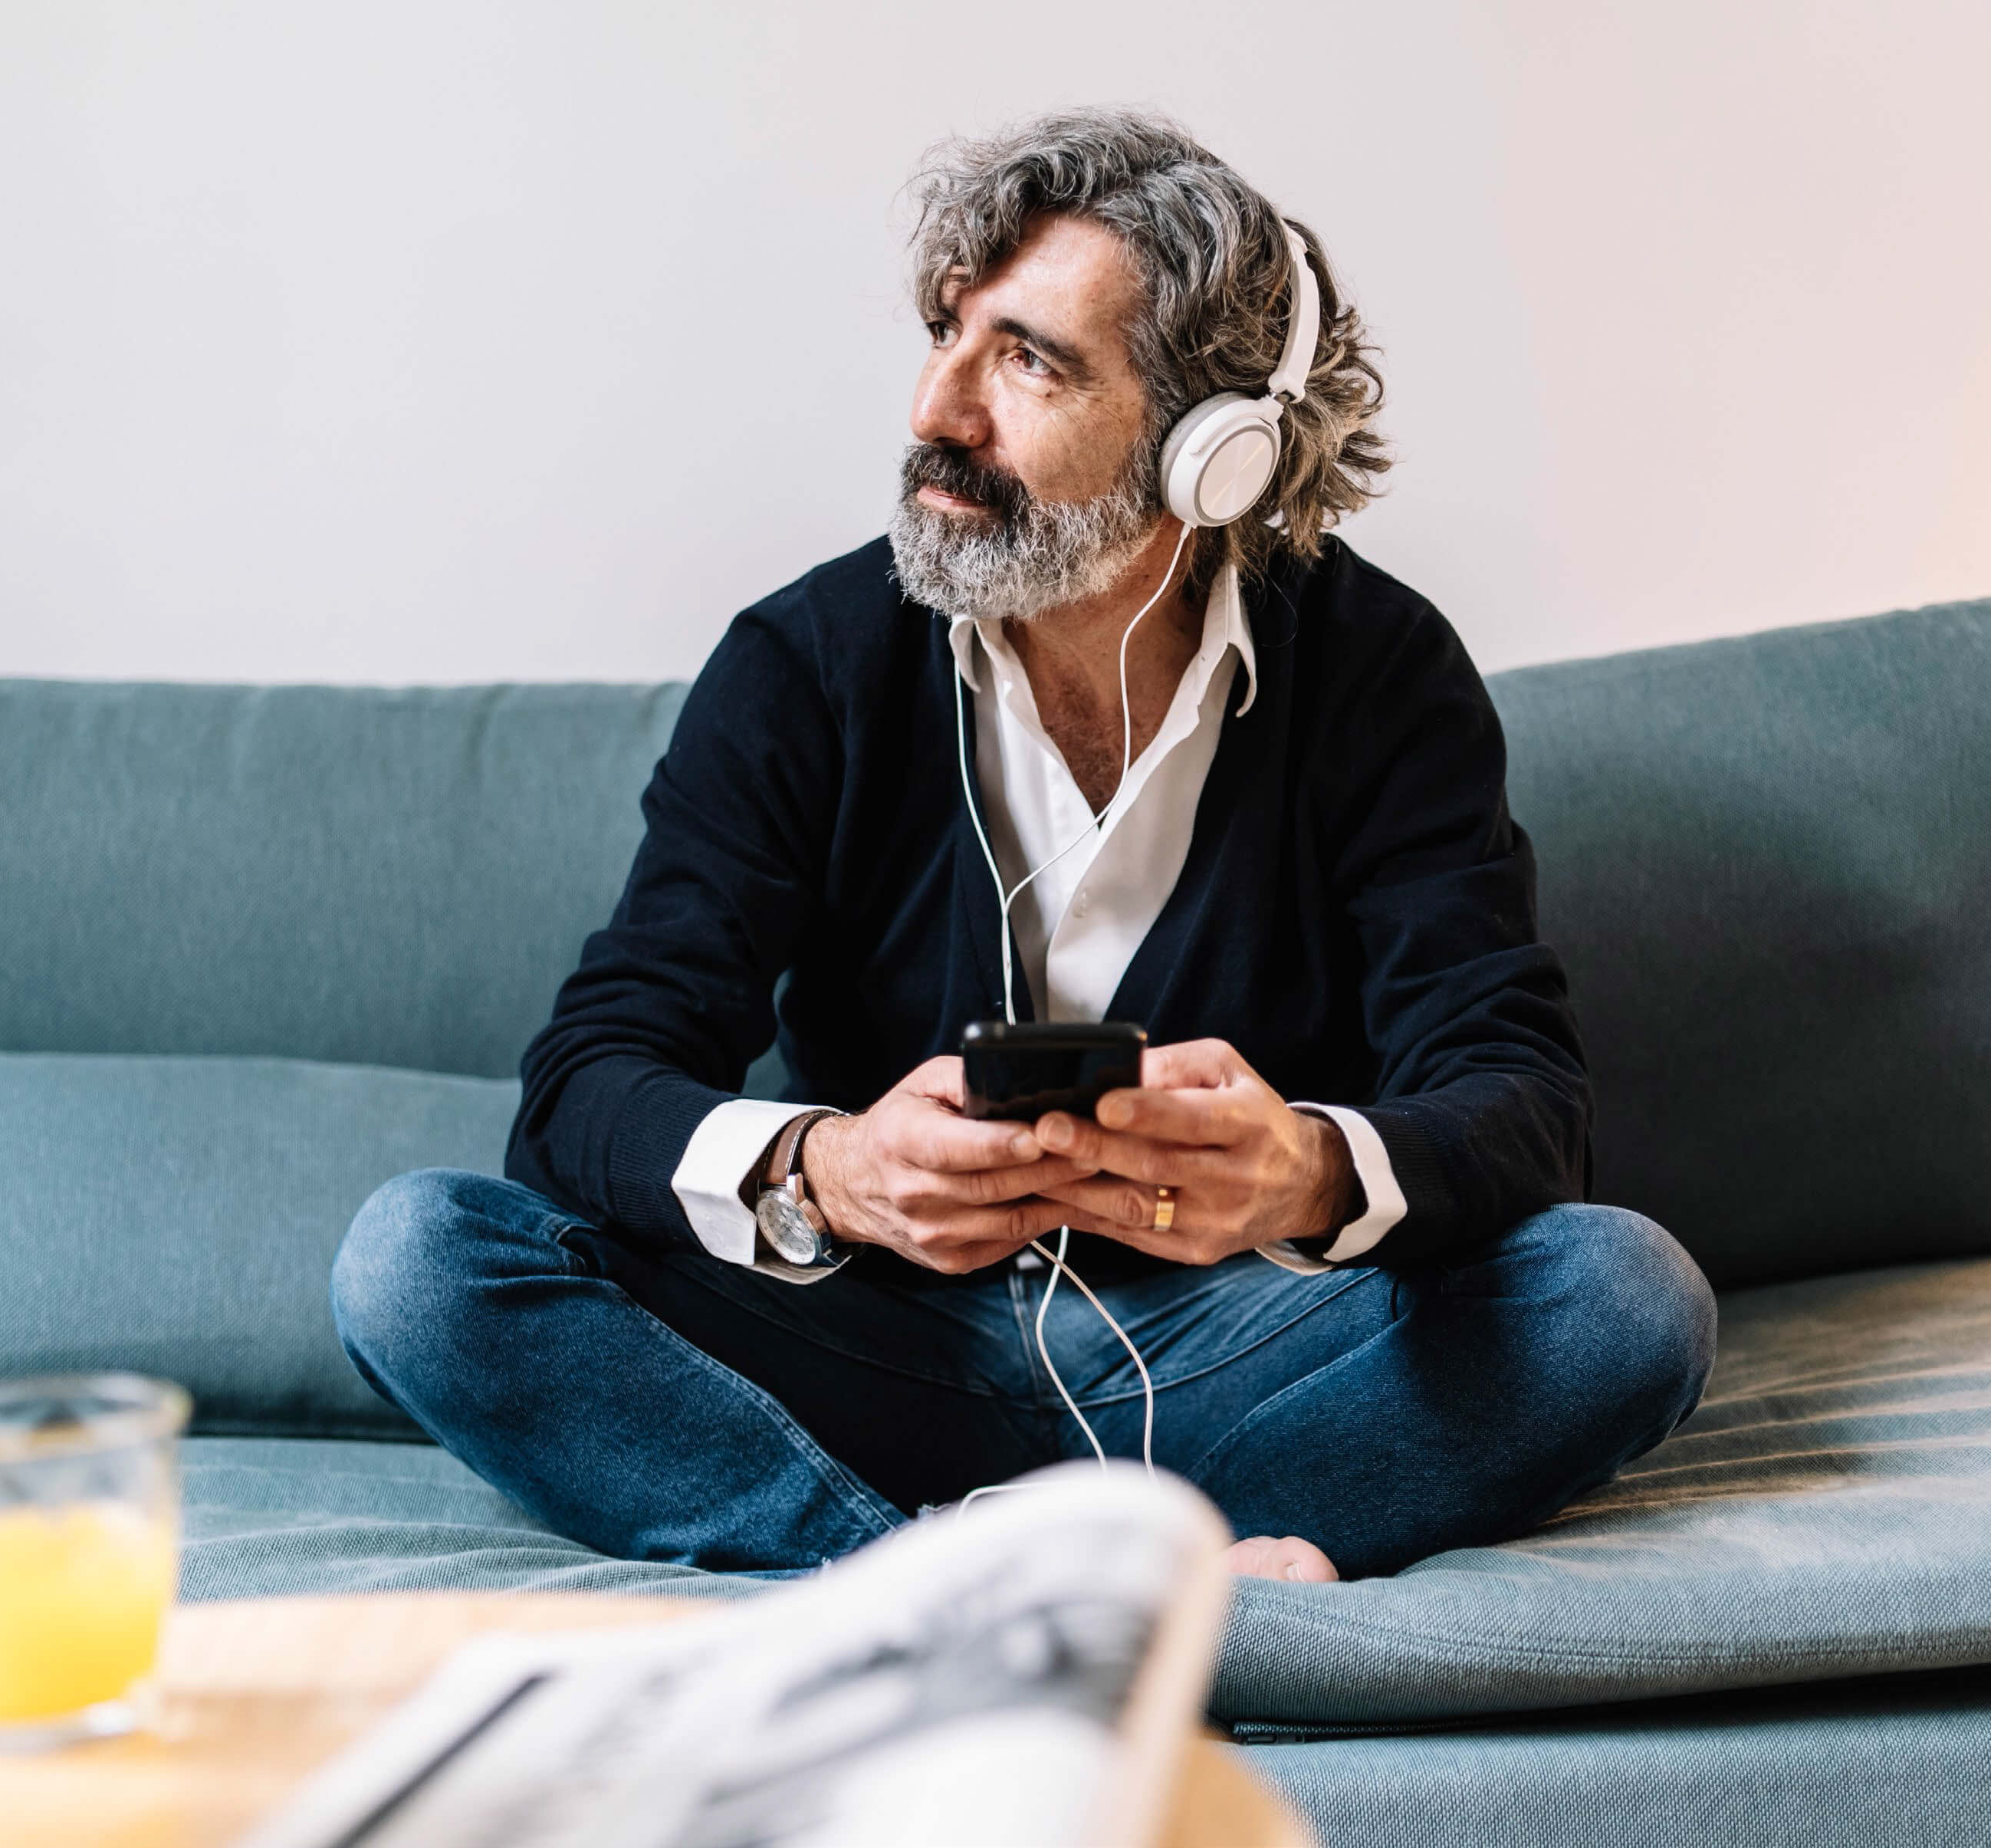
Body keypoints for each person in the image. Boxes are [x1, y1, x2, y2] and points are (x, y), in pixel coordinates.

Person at [332, 107, 1714, 1583]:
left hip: (1241, 1342)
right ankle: (943, 1583)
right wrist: (829, 1170)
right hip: (872, 1343)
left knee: (1625, 1295)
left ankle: (1011, 1577)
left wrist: (1307, 1172)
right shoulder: (806, 663)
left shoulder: (1381, 671)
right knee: (414, 1263)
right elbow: (588, 1083)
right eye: (946, 333)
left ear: (1211, 452)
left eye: (1029, 360)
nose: (940, 405)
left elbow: (1520, 1092)